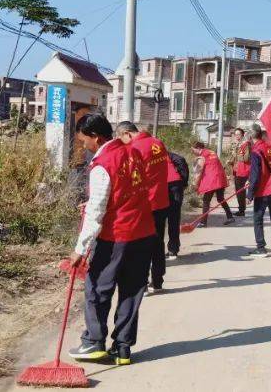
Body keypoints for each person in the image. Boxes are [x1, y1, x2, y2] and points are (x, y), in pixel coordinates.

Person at [66, 114, 155, 366]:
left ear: (96, 137)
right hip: (143, 232)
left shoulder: (103, 162)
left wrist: (79, 249)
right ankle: (122, 349)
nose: (83, 146)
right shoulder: (132, 153)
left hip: (117, 235)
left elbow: (96, 212)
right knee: (132, 290)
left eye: (84, 141)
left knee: (97, 288)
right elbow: (127, 190)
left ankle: (94, 342)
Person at [122, 123, 173, 293]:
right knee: (158, 243)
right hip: (161, 201)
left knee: (140, 245)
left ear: (127, 134)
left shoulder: (134, 148)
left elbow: (132, 178)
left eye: (121, 138)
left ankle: (141, 284)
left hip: (144, 204)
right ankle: (157, 281)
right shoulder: (158, 143)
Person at [245, 125, 271, 257]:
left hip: (263, 190)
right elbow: (270, 168)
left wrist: (249, 194)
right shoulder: (269, 147)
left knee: (257, 219)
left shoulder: (256, 151)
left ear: (251, 136)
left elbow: (256, 175)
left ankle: (261, 248)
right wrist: (250, 180)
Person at [191, 141, 234, 227]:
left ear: (199, 148)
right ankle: (230, 217)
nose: (192, 152)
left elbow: (198, 172)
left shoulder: (201, 157)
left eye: (193, 150)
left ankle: (203, 222)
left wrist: (195, 185)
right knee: (220, 198)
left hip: (212, 180)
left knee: (206, 201)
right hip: (220, 178)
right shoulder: (212, 152)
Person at [165, 150, 189, 258]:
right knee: (174, 217)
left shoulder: (143, 151)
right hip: (175, 185)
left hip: (163, 185)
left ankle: (169, 249)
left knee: (159, 220)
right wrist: (183, 181)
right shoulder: (164, 152)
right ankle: (173, 249)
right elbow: (180, 159)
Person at [226, 127, 251, 216]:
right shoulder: (238, 145)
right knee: (238, 191)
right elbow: (236, 157)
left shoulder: (246, 144)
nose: (237, 136)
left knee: (240, 191)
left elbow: (247, 158)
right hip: (237, 170)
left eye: (238, 134)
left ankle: (241, 210)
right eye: (235, 134)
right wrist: (231, 161)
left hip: (243, 171)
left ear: (243, 135)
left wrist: (237, 156)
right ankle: (241, 209)